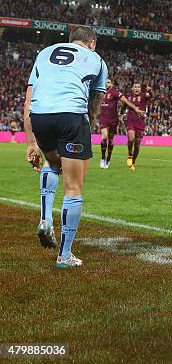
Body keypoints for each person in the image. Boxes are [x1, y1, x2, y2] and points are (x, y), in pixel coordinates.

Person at [24, 25, 108, 268]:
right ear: (92, 42)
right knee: (74, 186)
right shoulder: (97, 59)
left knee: (53, 164)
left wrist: (31, 142)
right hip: (71, 116)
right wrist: (87, 126)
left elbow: (29, 99)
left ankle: (44, 218)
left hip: (40, 116)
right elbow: (96, 101)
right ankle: (64, 255)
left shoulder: (45, 52)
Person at [99, 78, 144, 169]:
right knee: (104, 137)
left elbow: (126, 101)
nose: (106, 84)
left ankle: (108, 159)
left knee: (111, 140)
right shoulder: (100, 92)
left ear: (111, 84)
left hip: (113, 119)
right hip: (103, 118)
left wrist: (135, 109)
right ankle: (103, 158)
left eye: (108, 82)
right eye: (105, 82)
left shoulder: (115, 92)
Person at [125, 82, 153, 170]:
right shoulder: (128, 97)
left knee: (137, 144)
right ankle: (130, 154)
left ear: (140, 89)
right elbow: (123, 106)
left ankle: (133, 161)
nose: (137, 88)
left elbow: (151, 95)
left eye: (138, 87)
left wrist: (150, 90)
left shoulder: (144, 96)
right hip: (130, 120)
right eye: (135, 87)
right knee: (131, 138)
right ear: (132, 89)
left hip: (140, 122)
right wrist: (122, 114)